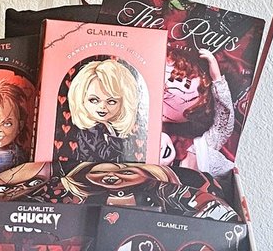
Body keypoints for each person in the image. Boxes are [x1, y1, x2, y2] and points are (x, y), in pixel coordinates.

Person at [161, 47, 234, 176]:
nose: (167, 87)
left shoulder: (198, 148)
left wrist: (217, 80)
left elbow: (223, 126)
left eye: (178, 79)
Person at [66, 58, 143, 163]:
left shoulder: (107, 126)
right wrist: (123, 143)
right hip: (92, 170)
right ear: (81, 99)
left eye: (111, 101)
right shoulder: (91, 130)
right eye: (94, 100)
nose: (102, 106)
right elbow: (105, 154)